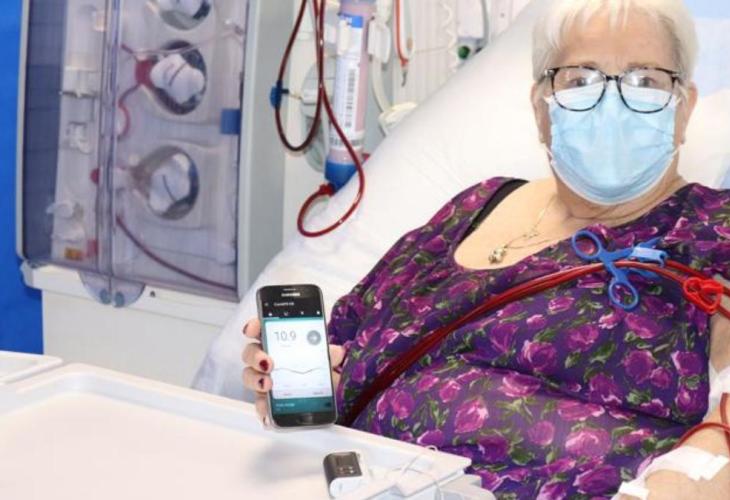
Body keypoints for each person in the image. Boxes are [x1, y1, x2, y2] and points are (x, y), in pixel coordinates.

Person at [243, 0, 730, 497]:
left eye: (644, 80)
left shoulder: (711, 228)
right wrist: (305, 381)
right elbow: (349, 345)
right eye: (581, 79)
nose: (612, 104)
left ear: (684, 108)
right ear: (541, 108)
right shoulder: (475, 205)